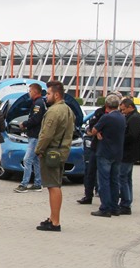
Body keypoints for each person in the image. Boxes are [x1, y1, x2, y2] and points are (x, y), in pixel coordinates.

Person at [33, 80, 75, 232]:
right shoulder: (68, 110)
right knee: (54, 185)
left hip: (51, 152)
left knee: (53, 186)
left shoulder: (54, 111)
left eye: (49, 93)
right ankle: (52, 217)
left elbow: (46, 134)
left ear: (57, 95)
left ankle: (55, 222)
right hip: (61, 151)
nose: (46, 96)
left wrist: (38, 150)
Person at [91, 94, 124, 218]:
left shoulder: (106, 117)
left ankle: (105, 208)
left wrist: (98, 132)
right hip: (118, 152)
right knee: (114, 181)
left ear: (106, 105)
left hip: (105, 152)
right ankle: (115, 207)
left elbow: (94, 130)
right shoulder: (122, 117)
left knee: (104, 181)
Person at [15, 83, 47, 193]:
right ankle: (38, 183)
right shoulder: (40, 102)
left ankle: (24, 185)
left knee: (27, 160)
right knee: (35, 160)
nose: (29, 93)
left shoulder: (38, 104)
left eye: (30, 91)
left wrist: (24, 124)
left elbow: (35, 119)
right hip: (36, 135)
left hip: (35, 136)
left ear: (35, 91)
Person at [117, 96, 140, 216]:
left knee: (123, 178)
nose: (122, 112)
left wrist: (120, 137)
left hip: (129, 152)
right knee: (126, 178)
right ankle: (126, 202)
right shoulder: (131, 117)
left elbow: (132, 135)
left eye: (124, 109)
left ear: (130, 107)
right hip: (129, 152)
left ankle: (126, 204)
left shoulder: (135, 118)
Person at [77, 102, 106, 205]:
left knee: (103, 174)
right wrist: (96, 132)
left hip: (106, 148)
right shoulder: (99, 112)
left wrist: (96, 131)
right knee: (90, 172)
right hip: (95, 146)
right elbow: (91, 127)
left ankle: (102, 195)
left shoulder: (115, 116)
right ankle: (88, 195)